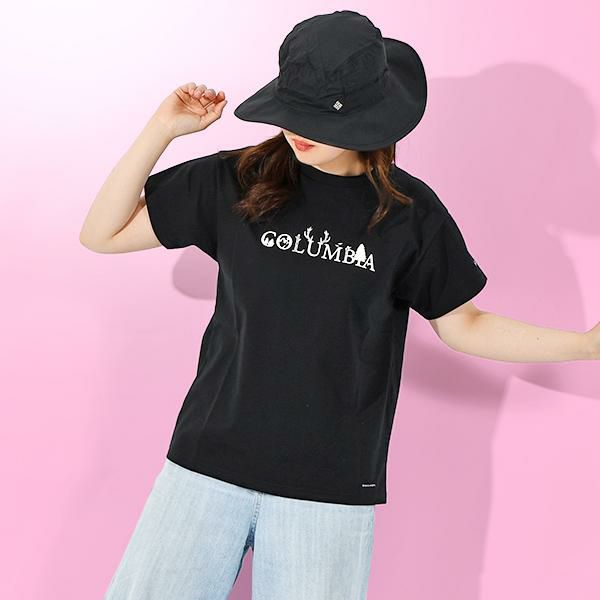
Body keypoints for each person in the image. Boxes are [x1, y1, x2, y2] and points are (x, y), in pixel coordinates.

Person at [80, 10, 600, 600]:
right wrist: (162, 129)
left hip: (327, 489)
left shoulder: (410, 215)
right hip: (206, 464)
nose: (296, 131)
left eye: (316, 118)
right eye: (290, 110)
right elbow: (102, 234)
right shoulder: (240, 178)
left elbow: (464, 324)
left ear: (372, 117)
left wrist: (585, 346)